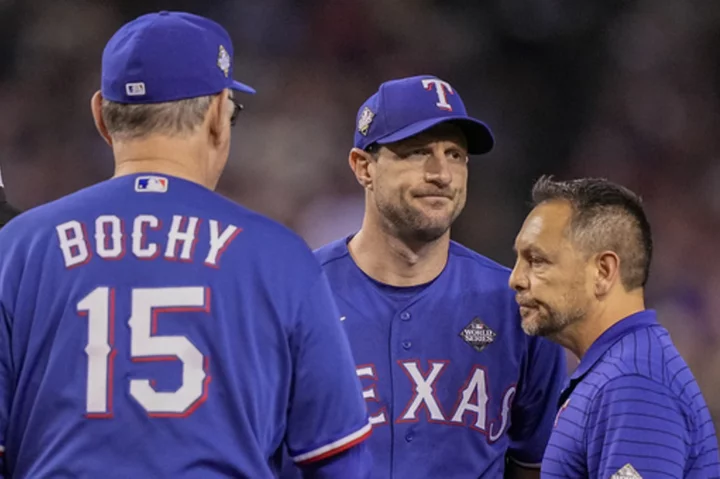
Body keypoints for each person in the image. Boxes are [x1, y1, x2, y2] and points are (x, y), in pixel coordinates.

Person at [0, 11, 371, 479]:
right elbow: (338, 460)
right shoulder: (279, 257)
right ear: (219, 114)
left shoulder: (17, 249)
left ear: (101, 115)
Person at [284, 75, 567, 479]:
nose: (442, 174)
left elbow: (535, 464)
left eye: (455, 154)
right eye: (418, 152)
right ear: (363, 167)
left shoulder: (518, 303)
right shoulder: (293, 295)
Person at [509, 176, 720, 478]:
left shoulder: (634, 384)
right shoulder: (614, 372)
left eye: (537, 260)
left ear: (603, 271)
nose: (515, 278)